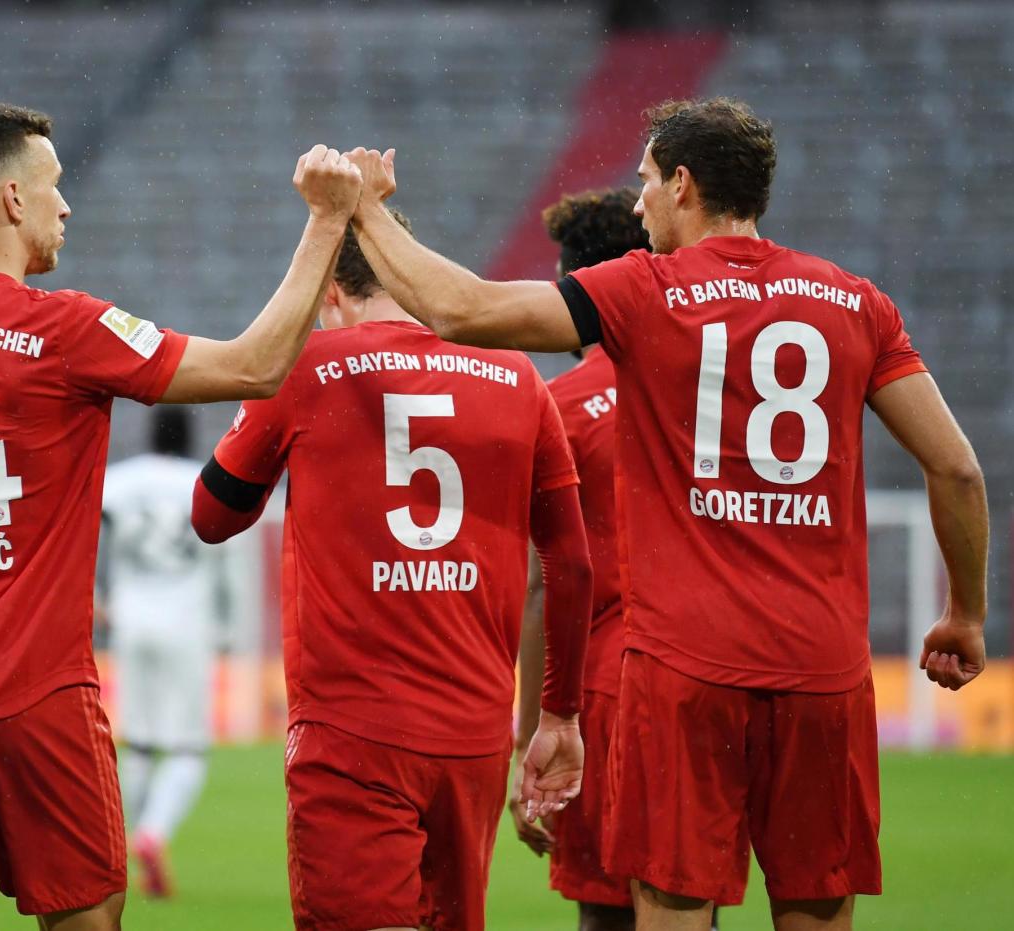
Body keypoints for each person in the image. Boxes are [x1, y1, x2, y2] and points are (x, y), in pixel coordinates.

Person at [340, 97, 988, 931]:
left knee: (672, 910)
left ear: (683, 184)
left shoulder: (649, 290)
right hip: (824, 670)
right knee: (817, 909)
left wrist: (365, 211)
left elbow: (464, 309)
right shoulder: (857, 302)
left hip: (686, 670)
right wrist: (965, 613)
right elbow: (958, 468)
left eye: (646, 183)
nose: (636, 203)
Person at [0, 102, 360, 931]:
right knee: (86, 920)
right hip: (35, 696)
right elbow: (256, 366)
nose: (66, 206)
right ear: (12, 199)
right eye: (54, 187)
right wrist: (326, 220)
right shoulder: (68, 329)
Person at [190, 211, 594, 931]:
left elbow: (212, 516)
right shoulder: (517, 375)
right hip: (472, 741)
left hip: (353, 729)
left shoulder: (306, 368)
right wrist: (558, 712)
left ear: (328, 295)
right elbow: (569, 562)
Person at [509, 187, 648, 931]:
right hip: (710, 670)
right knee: (690, 891)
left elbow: (542, 582)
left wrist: (529, 727)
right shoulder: (701, 391)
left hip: (603, 684)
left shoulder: (557, 405)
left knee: (608, 908)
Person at [100, 407, 221, 898]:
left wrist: (93, 596)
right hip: (187, 623)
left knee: (142, 742)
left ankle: (114, 845)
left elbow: (84, 524)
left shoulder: (121, 481)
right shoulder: (202, 480)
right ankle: (153, 834)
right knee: (189, 747)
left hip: (131, 620)